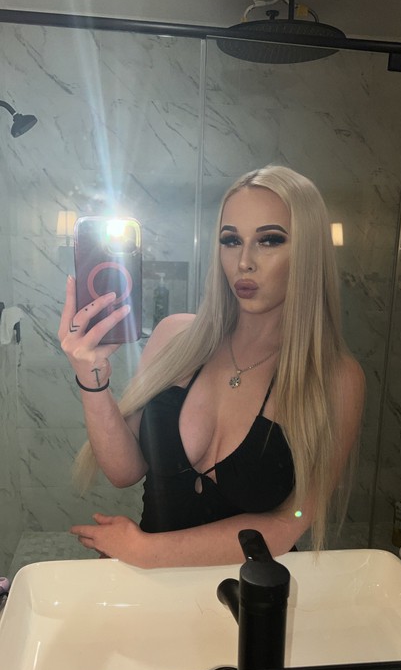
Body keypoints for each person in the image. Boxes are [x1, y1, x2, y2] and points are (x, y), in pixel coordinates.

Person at [59, 165, 365, 568]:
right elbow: (125, 469)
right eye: (231, 240)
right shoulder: (175, 338)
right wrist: (91, 376)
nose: (244, 262)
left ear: (308, 251)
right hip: (157, 593)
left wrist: (146, 551)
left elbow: (291, 521)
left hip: (252, 597)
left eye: (270, 240)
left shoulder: (334, 378)